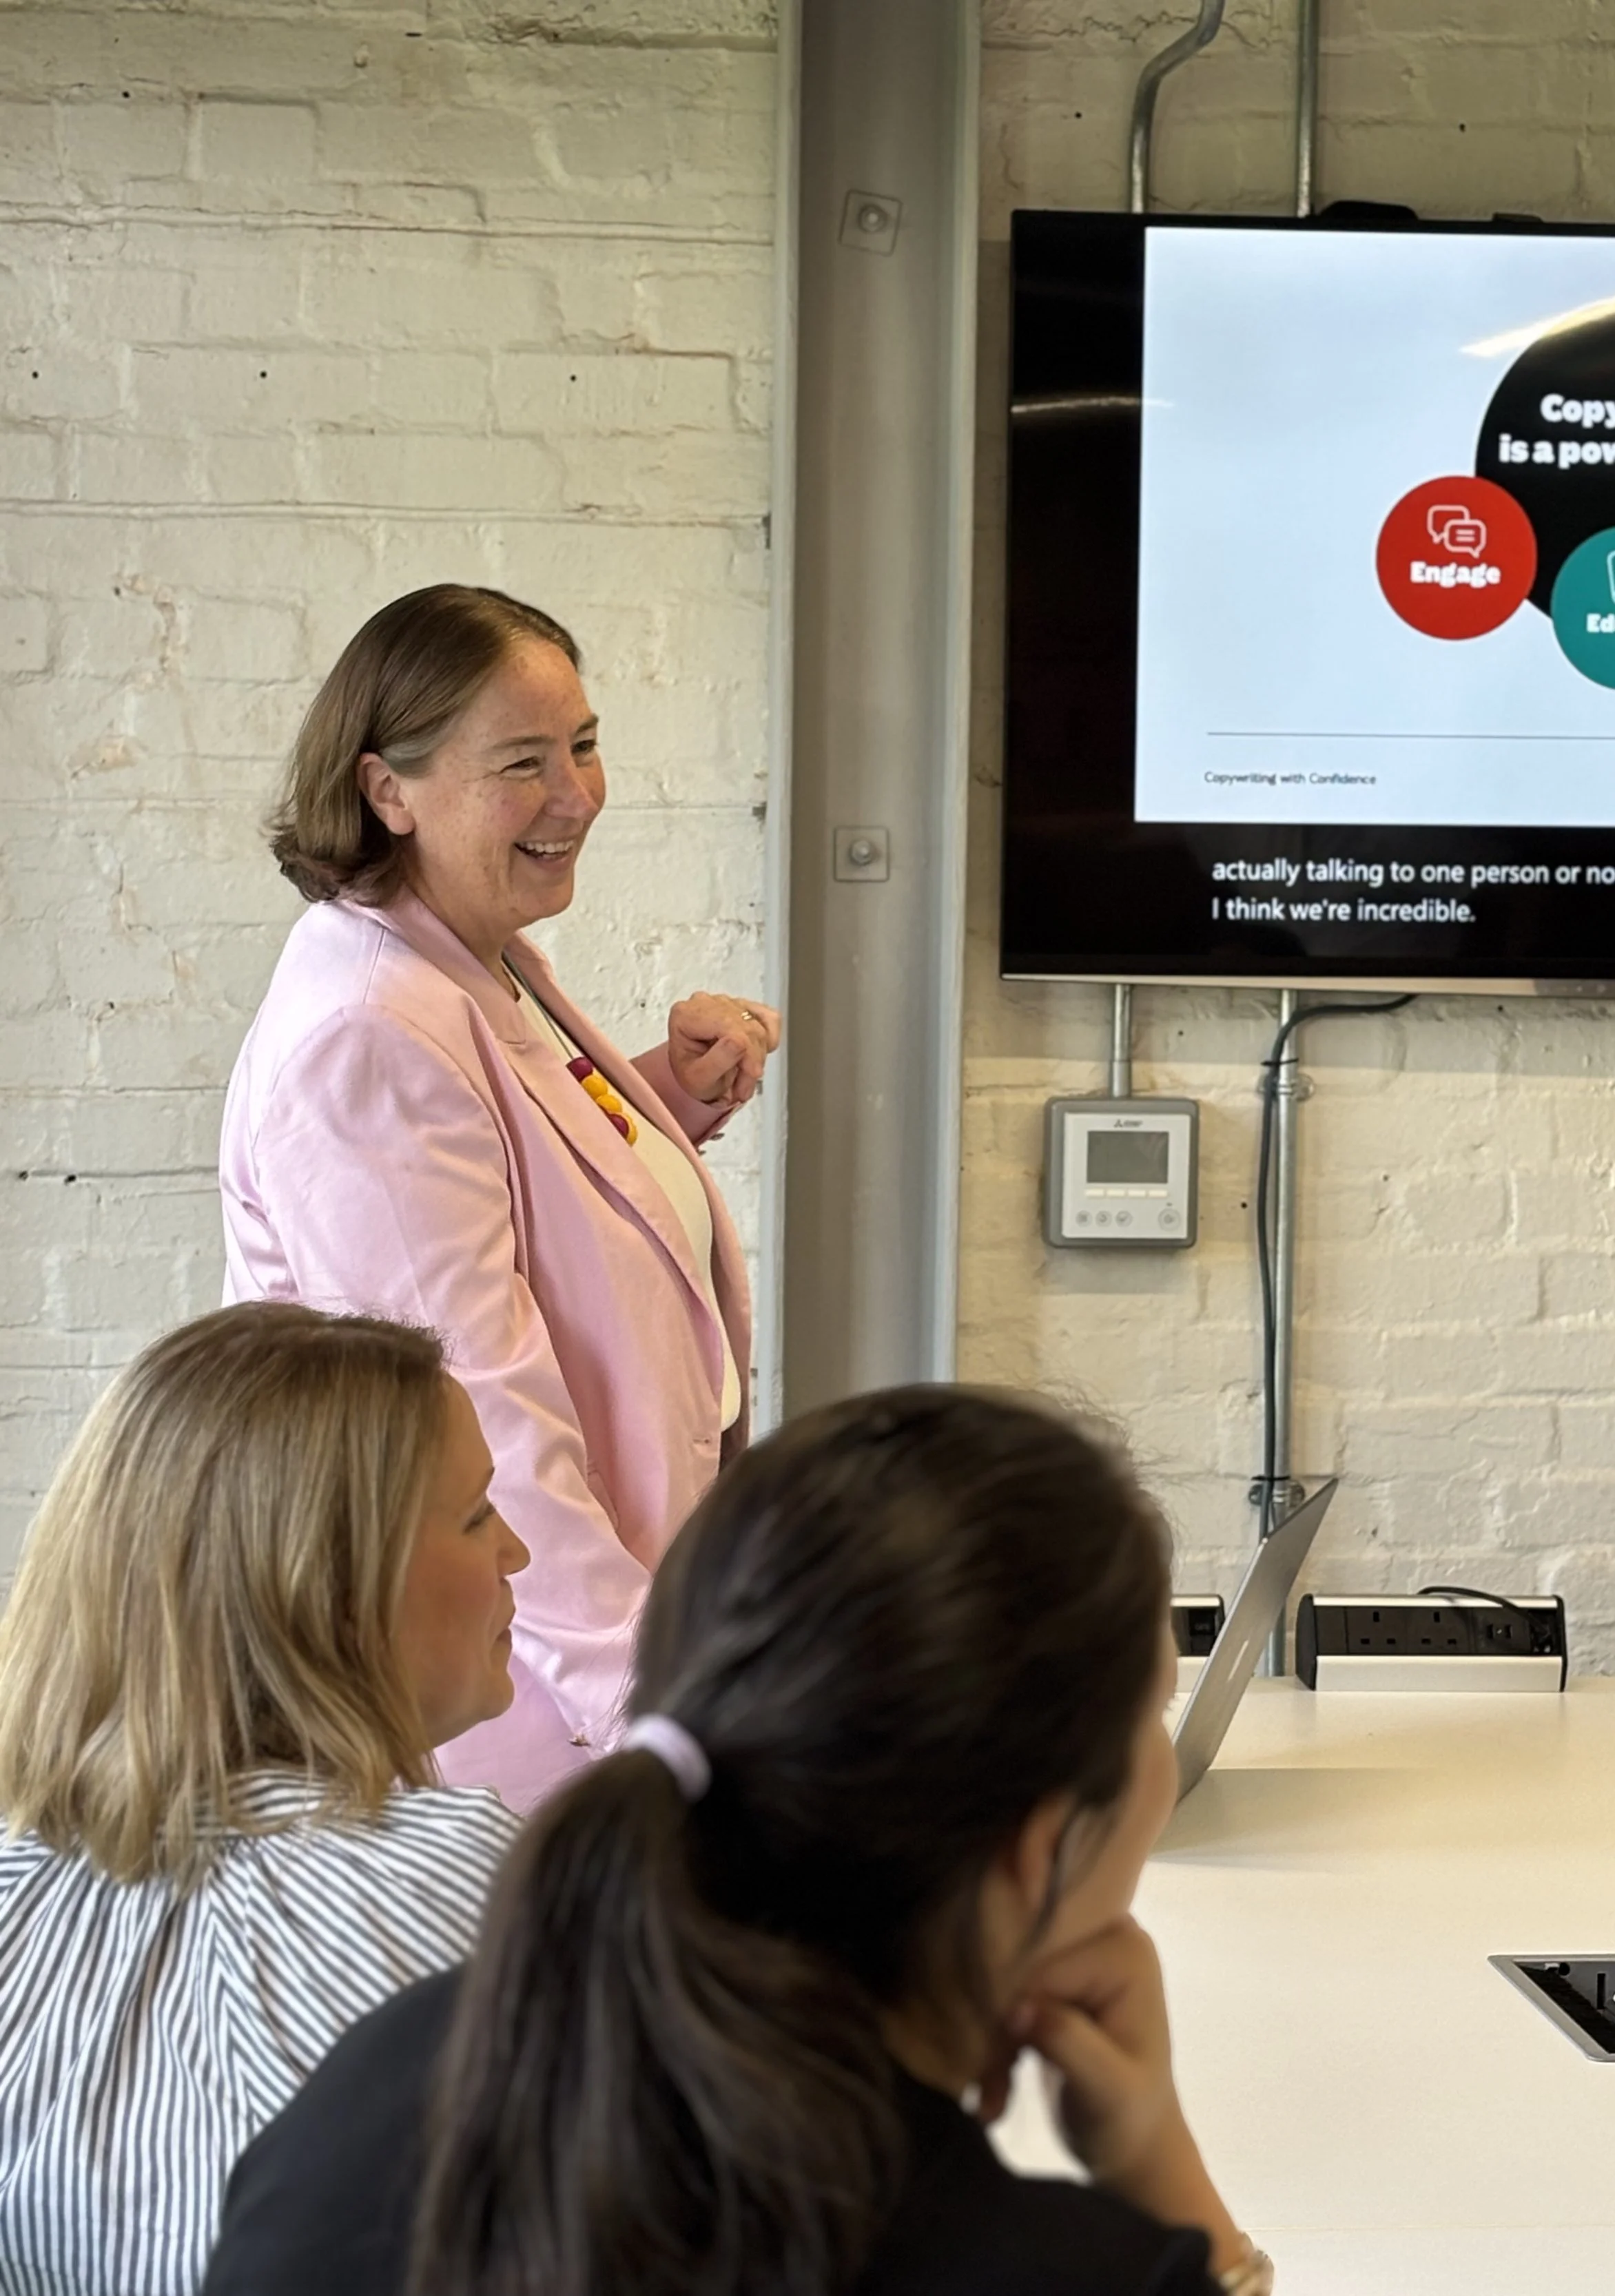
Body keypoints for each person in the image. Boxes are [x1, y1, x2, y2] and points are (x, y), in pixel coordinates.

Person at [202, 1387, 1272, 2296]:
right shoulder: (1050, 2270)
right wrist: (1162, 2176)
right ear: (1039, 1851)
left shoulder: (374, 2085)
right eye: (1155, 1711)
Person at [220, 583, 776, 1812]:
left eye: (582, 744)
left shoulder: (476, 954)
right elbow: (477, 1408)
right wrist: (653, 1710)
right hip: (507, 1710)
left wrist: (660, 1102)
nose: (575, 795)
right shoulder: (368, 1031)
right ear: (388, 789)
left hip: (587, 1658)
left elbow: (515, 1165)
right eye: (521, 763)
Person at [0, 1303, 527, 2296]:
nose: (516, 1558)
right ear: (328, 1588)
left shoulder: (13, 1891)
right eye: (478, 1515)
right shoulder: (444, 1877)